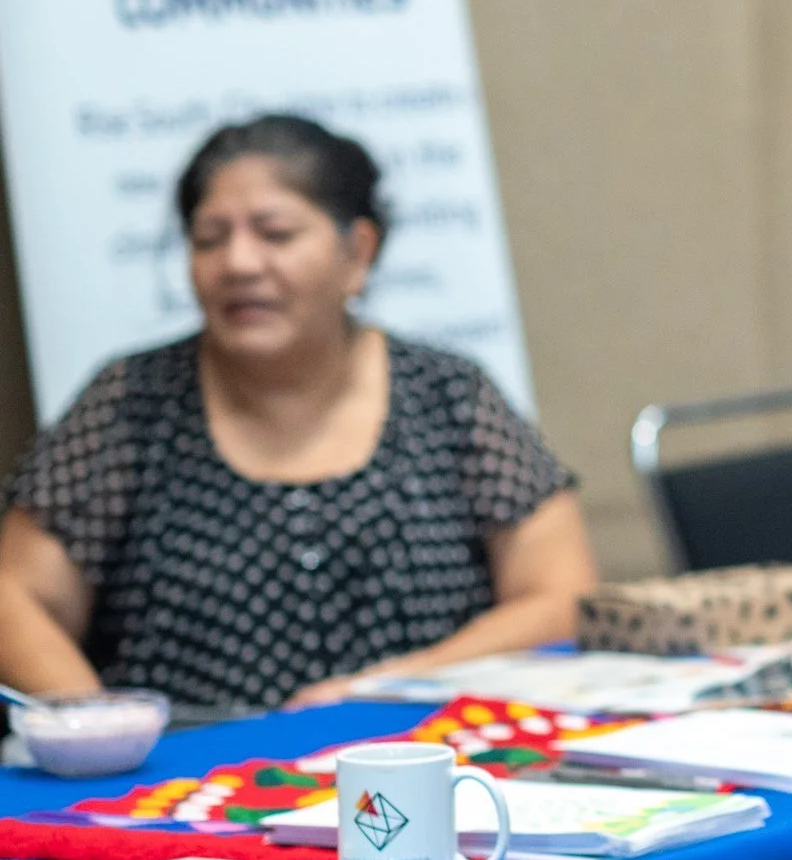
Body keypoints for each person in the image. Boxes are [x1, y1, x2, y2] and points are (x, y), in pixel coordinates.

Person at [0, 115, 597, 712]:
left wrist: (390, 686)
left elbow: (560, 596)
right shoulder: (131, 402)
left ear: (358, 251)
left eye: (275, 234)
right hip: (185, 777)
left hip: (420, 753)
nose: (238, 263)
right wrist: (96, 728)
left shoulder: (447, 394)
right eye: (209, 239)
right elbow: (16, 597)